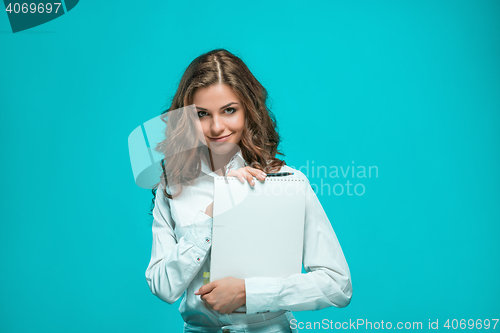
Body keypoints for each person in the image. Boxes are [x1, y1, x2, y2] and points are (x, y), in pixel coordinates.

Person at [145, 49, 352, 333]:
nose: (217, 127)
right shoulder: (172, 187)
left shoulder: (287, 182)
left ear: (248, 109)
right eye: (203, 114)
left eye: (229, 110)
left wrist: (249, 293)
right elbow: (163, 286)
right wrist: (212, 213)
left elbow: (337, 285)